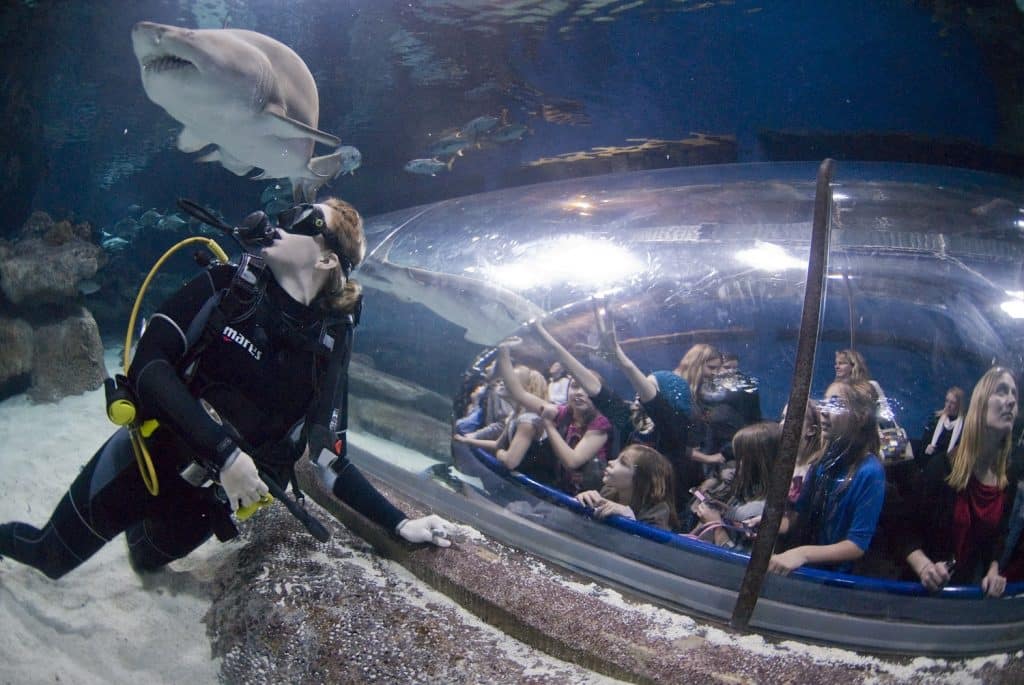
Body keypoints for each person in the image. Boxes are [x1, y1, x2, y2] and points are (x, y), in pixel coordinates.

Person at [0, 198, 454, 580]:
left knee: (145, 560)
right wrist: (227, 456)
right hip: (144, 461)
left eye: (305, 220)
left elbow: (329, 457)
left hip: (204, 503)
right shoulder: (230, 285)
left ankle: (136, 529)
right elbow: (149, 367)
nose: (283, 222)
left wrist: (400, 524)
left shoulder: (330, 341)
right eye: (289, 211)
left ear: (326, 258)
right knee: (50, 556)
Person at [901, 367, 1018, 596]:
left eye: (1014, 393)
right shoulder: (942, 468)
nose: (1012, 400)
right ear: (980, 404)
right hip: (918, 594)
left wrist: (993, 570)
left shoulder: (1007, 480)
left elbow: (998, 538)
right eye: (1002, 391)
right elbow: (902, 529)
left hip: (964, 598)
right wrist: (923, 566)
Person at [768, 379, 886, 575]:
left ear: (861, 417)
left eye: (836, 405)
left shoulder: (870, 472)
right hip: (807, 571)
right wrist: (769, 526)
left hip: (836, 580)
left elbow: (856, 546)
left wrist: (803, 553)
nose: (823, 411)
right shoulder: (821, 462)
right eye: (825, 403)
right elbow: (798, 516)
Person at [495, 341, 612, 495]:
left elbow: (572, 461)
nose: (579, 393)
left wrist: (549, 425)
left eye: (586, 390)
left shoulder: (600, 424)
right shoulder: (563, 412)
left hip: (586, 499)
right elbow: (519, 393)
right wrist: (503, 351)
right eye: (575, 386)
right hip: (562, 490)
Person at [453, 363, 551, 480]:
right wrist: (467, 440)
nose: (504, 381)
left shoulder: (528, 420)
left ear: (523, 389)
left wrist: (499, 453)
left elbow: (510, 461)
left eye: (511, 380)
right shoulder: (515, 414)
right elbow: (497, 444)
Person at [693, 421, 780, 550]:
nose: (736, 465)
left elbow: (740, 562)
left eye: (740, 458)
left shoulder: (757, 513)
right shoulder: (755, 495)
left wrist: (716, 526)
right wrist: (726, 510)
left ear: (757, 463)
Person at [575, 444, 680, 531]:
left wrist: (630, 520)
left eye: (623, 462)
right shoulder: (608, 491)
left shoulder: (658, 511)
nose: (611, 462)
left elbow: (651, 550)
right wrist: (584, 502)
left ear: (640, 479)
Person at [917, 386, 966, 470]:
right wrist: (926, 448)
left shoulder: (964, 427)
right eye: (947, 401)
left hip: (947, 466)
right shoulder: (935, 419)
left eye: (952, 403)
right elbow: (924, 442)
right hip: (930, 461)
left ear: (959, 405)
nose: (948, 405)